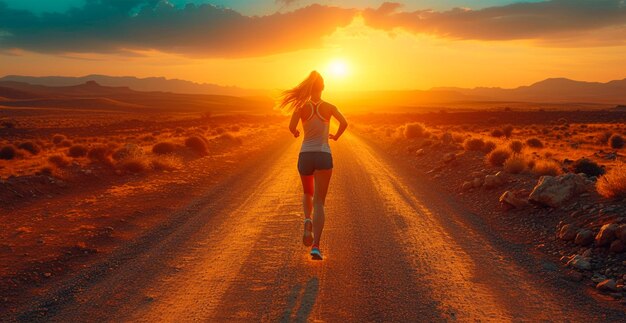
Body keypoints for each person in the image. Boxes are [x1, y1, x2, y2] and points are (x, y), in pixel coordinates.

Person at [279, 71, 348, 260]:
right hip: (324, 155)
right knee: (320, 202)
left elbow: (292, 127)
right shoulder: (330, 107)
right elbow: (344, 122)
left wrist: (295, 133)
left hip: (305, 156)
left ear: (309, 88)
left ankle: (307, 219)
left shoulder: (301, 107)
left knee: (307, 193)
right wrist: (336, 136)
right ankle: (316, 246)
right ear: (323, 87)